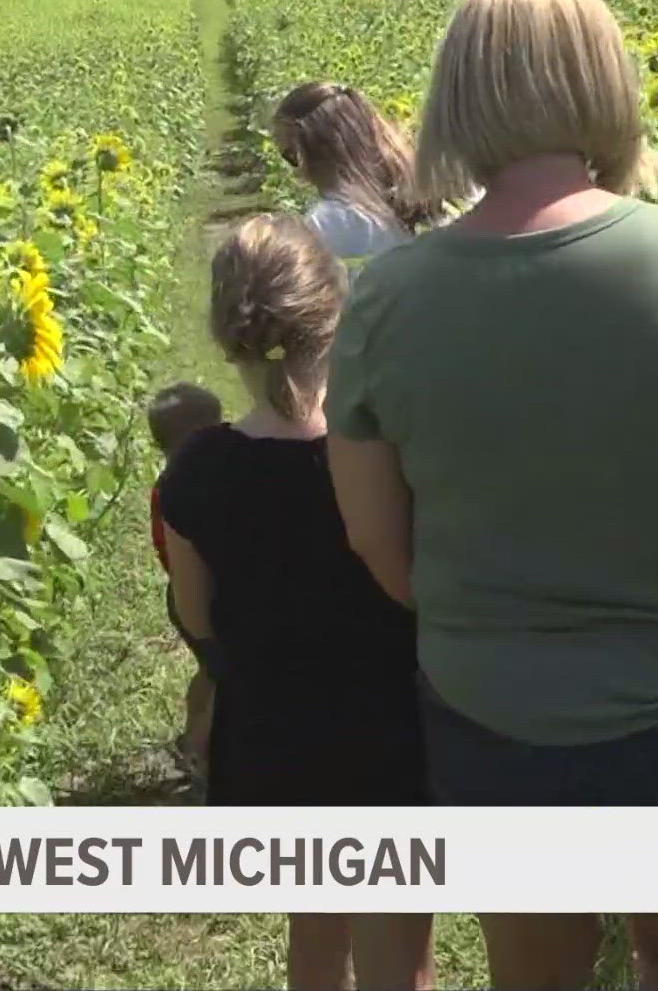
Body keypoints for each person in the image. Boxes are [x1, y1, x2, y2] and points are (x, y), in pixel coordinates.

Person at [323, 0, 658, 991]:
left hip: (497, 716)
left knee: (538, 970)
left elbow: (376, 539)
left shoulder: (388, 299)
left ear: (455, 98)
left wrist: (484, 618)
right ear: (607, 83)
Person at [159, 214, 434, 991]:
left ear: (225, 333)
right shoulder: (386, 444)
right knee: (399, 944)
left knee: (314, 933)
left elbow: (196, 614)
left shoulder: (196, 471)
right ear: (336, 311)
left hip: (273, 731)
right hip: (393, 725)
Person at [272, 81, 447, 262]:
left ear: (313, 151)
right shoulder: (422, 185)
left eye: (290, 156)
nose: (295, 173)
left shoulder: (330, 223)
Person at [146, 381, 225, 778]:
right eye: (218, 426)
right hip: (202, 597)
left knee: (210, 673)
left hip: (181, 594)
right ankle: (201, 753)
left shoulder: (170, 483)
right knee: (225, 677)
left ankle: (191, 738)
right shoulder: (187, 489)